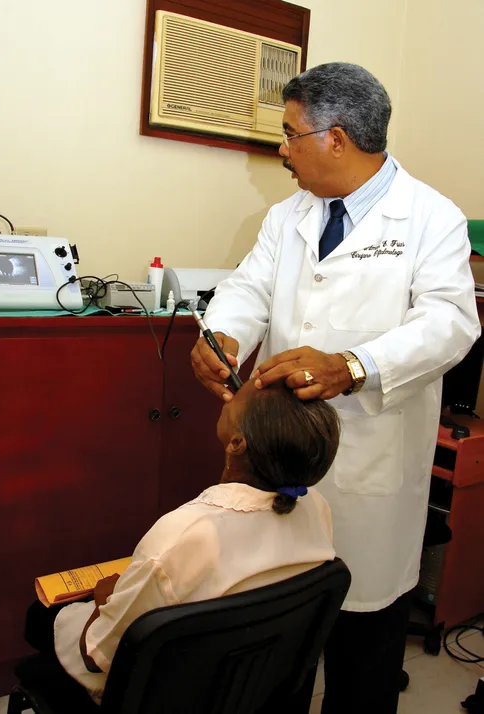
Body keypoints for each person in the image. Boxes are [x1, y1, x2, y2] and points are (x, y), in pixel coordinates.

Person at [191, 62, 481, 713]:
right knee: (277, 643)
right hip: (284, 458)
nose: (282, 149)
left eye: (291, 133)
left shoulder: (432, 218)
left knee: (362, 656)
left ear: (337, 138)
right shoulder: (287, 215)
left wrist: (351, 366)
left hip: (371, 464)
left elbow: (451, 324)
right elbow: (250, 287)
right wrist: (224, 335)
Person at [24, 379, 339, 705]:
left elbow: (97, 655)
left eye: (235, 398)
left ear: (236, 443)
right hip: (255, 682)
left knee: (39, 616)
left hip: (170, 695)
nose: (226, 399)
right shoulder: (317, 509)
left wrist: (107, 598)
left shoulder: (182, 535)